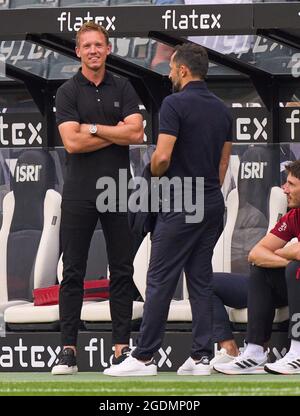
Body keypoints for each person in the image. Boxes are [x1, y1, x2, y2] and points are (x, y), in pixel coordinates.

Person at [104, 42, 232, 376]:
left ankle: (145, 356)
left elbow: (161, 158)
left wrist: (155, 176)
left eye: (172, 68)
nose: (170, 73)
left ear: (184, 70)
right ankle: (203, 357)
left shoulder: (174, 104)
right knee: (200, 279)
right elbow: (222, 165)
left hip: (180, 203)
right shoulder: (223, 109)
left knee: (159, 278)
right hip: (211, 202)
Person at [51, 22, 144, 375]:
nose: (92, 50)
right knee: (71, 270)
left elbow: (135, 133)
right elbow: (72, 143)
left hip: (118, 188)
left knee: (122, 270)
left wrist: (90, 127)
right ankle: (68, 351)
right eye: (86, 45)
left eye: (98, 45)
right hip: (78, 191)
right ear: (77, 51)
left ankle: (121, 350)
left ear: (108, 49)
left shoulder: (124, 85)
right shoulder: (66, 91)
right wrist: (115, 133)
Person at [214, 160, 300, 375]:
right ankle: (254, 351)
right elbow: (256, 253)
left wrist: (290, 257)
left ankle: (298, 351)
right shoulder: (293, 216)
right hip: (293, 283)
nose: (284, 189)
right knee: (261, 268)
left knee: (293, 269)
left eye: (291, 184)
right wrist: (288, 256)